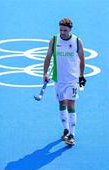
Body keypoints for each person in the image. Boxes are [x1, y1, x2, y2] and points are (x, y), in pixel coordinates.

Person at [43, 17, 86, 145]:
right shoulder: (54, 40)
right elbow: (48, 57)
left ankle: (72, 134)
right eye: (61, 30)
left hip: (72, 79)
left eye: (65, 30)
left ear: (70, 30)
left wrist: (81, 76)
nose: (62, 32)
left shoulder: (77, 41)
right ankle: (66, 130)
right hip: (58, 79)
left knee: (71, 105)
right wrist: (44, 73)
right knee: (61, 104)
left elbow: (82, 59)